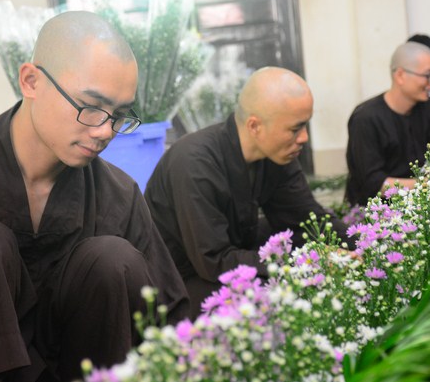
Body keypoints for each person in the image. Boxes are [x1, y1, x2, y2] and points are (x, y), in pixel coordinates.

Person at [0, 11, 190, 382]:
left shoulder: (119, 196)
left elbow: (170, 319)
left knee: (113, 259)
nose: (105, 131)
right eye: (92, 107)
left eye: (120, 115)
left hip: (79, 372)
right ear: (31, 81)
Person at [144, 66, 357, 318]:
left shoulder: (277, 154)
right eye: (295, 129)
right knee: (281, 298)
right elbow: (213, 261)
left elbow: (307, 220)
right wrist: (308, 263)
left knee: (296, 238)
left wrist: (364, 246)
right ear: (255, 126)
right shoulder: (194, 163)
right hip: (183, 282)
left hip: (231, 256)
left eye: (305, 126)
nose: (304, 138)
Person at [344, 42, 430, 207]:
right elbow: (373, 182)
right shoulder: (366, 118)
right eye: (428, 75)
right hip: (373, 211)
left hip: (420, 204)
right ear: (400, 75)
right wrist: (426, 184)